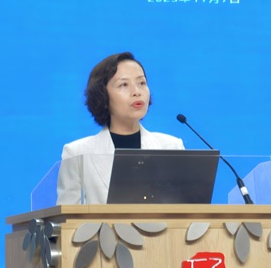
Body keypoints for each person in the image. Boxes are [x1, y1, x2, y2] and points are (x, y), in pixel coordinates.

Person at [56, 52, 184, 205]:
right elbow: (67, 216)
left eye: (141, 83)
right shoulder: (77, 153)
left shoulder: (171, 148)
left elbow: (185, 211)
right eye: (124, 85)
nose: (137, 92)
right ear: (103, 95)